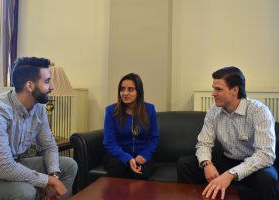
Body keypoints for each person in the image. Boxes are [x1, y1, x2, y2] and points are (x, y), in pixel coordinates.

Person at [0, 57, 78, 200]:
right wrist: (49, 181)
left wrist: (53, 175)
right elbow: (4, 168)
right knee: (26, 192)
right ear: (30, 86)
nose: (52, 87)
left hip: (16, 163)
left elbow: (50, 146)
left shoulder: (38, 108)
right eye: (47, 81)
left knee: (70, 165)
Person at [177, 66, 278, 200]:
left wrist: (230, 174)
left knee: (268, 179)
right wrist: (207, 163)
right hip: (228, 160)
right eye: (213, 88)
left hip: (254, 165)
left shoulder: (259, 111)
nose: (213, 93)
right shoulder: (214, 111)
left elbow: (265, 155)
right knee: (185, 164)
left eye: (218, 89)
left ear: (235, 90)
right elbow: (203, 142)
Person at [103, 73, 159, 179]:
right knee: (116, 167)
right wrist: (127, 158)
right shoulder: (111, 111)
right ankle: (115, 196)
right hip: (118, 154)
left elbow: (154, 137)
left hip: (141, 154)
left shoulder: (150, 109)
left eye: (130, 89)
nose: (125, 93)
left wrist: (145, 154)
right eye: (122, 89)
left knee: (141, 172)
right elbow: (109, 142)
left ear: (138, 92)